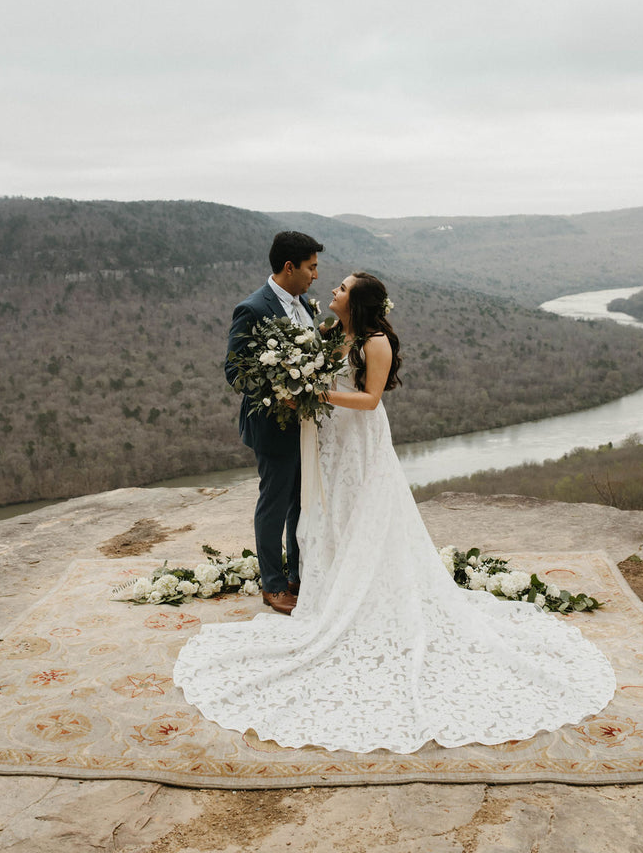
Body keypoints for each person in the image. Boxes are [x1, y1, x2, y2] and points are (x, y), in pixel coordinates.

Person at [175, 271, 615, 753]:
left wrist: (312, 393)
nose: (333, 292)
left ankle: (367, 591)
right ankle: (331, 585)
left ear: (357, 302)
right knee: (332, 512)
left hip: (359, 440)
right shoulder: (331, 334)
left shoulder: (375, 342)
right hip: (330, 438)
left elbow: (369, 400)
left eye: (341, 289)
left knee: (366, 512)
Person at [224, 230, 323, 616]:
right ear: (289, 267)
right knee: (275, 504)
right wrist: (278, 389)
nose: (316, 275)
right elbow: (235, 371)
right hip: (273, 425)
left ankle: (298, 574)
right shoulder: (253, 308)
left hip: (307, 426)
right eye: (311, 267)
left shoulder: (304, 307)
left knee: (302, 503)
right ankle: (273, 584)